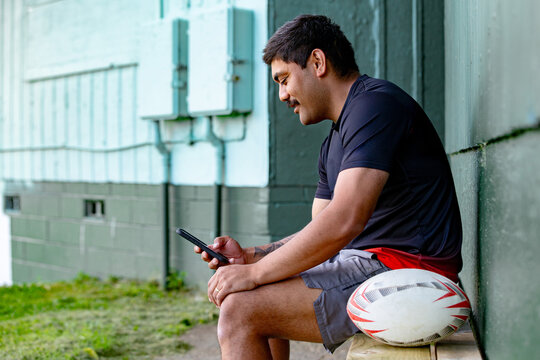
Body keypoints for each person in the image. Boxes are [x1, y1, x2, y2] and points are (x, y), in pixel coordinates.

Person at [195, 14, 463, 360]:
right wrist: (252, 256)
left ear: (317, 62)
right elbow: (322, 230)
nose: (282, 95)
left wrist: (254, 274)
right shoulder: (335, 138)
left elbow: (344, 220)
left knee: (241, 310)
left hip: (412, 276)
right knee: (256, 290)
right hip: (371, 265)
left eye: (284, 79)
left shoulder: (375, 105)